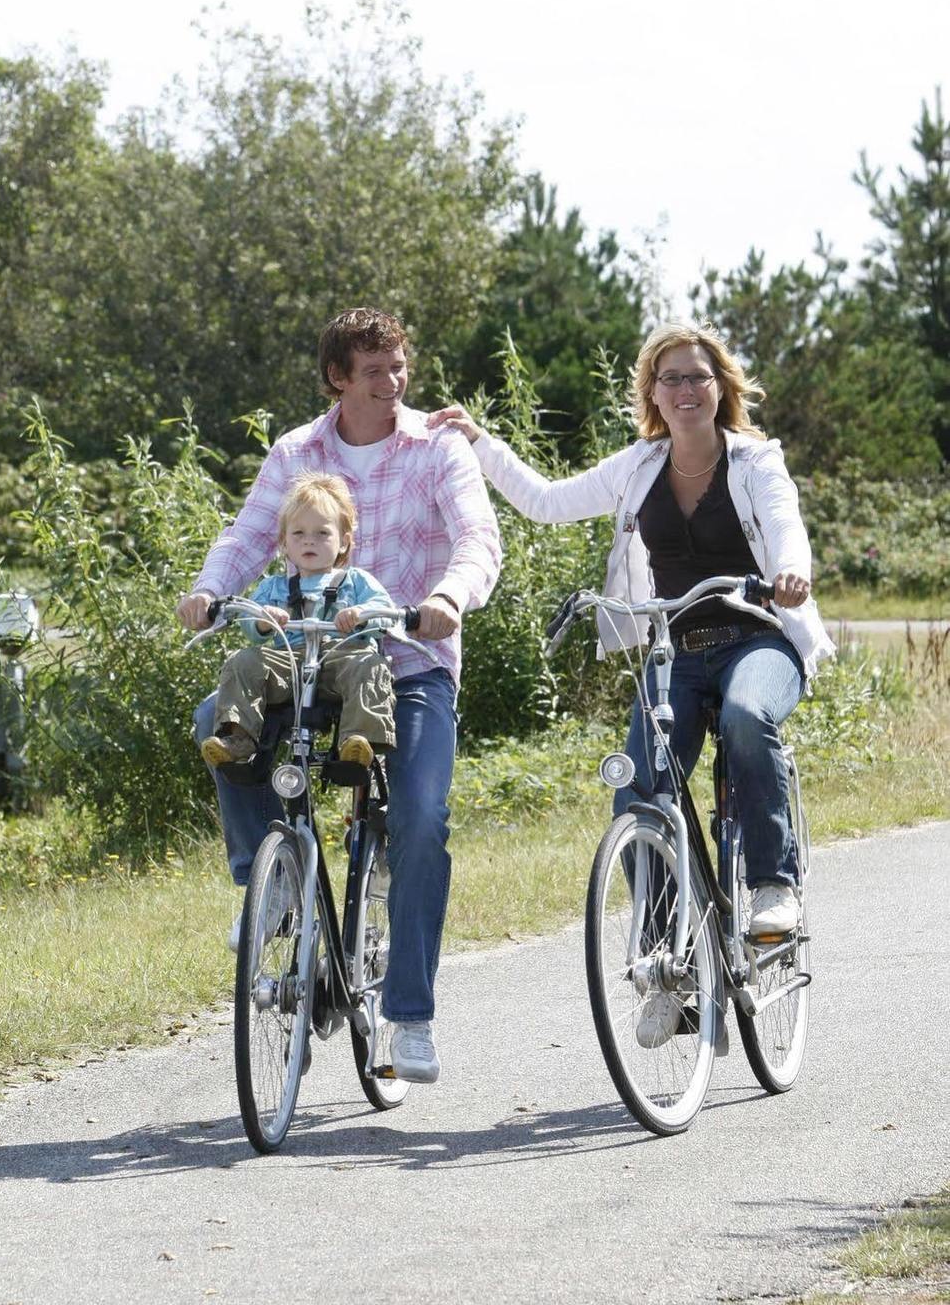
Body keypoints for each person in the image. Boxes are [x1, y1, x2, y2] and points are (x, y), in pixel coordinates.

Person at [431, 320, 835, 975]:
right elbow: (544, 502)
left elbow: (783, 520)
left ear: (718, 385)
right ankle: (661, 959)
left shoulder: (754, 461)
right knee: (639, 787)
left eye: (696, 376)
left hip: (756, 640)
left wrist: (790, 571)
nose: (683, 389)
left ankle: (772, 885)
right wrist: (479, 442)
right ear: (651, 391)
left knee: (742, 715)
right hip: (675, 650)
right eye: (669, 377)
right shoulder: (639, 465)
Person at [178, 307, 502, 1085]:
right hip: (304, 657)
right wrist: (208, 591)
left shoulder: (437, 448)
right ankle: (274, 884)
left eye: (398, 368)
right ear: (337, 378)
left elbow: (476, 539)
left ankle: (410, 1017)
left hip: (409, 659)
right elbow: (249, 535)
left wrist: (450, 597)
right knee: (214, 721)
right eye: (373, 371)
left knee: (421, 823)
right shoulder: (297, 452)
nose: (391, 384)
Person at [201, 473, 397, 771]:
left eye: (322, 533)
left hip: (340, 659)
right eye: (299, 534)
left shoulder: (355, 581)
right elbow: (249, 622)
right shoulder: (275, 587)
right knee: (244, 661)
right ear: (284, 543)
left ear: (344, 542)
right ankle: (237, 737)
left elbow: (385, 611)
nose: (309, 540)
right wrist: (265, 621)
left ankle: (359, 740)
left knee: (369, 664)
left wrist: (359, 615)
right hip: (289, 664)